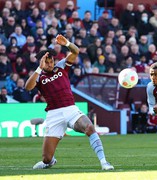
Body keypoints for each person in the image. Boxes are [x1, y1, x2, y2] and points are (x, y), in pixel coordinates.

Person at [25, 34, 114, 171]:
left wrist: (66, 43)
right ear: (42, 63)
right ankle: (50, 162)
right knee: (46, 158)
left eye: (51, 61)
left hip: (70, 109)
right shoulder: (39, 76)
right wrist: (39, 68)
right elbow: (28, 87)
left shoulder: (61, 66)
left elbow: (75, 51)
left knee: (89, 128)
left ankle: (104, 162)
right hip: (53, 115)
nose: (50, 64)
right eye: (47, 62)